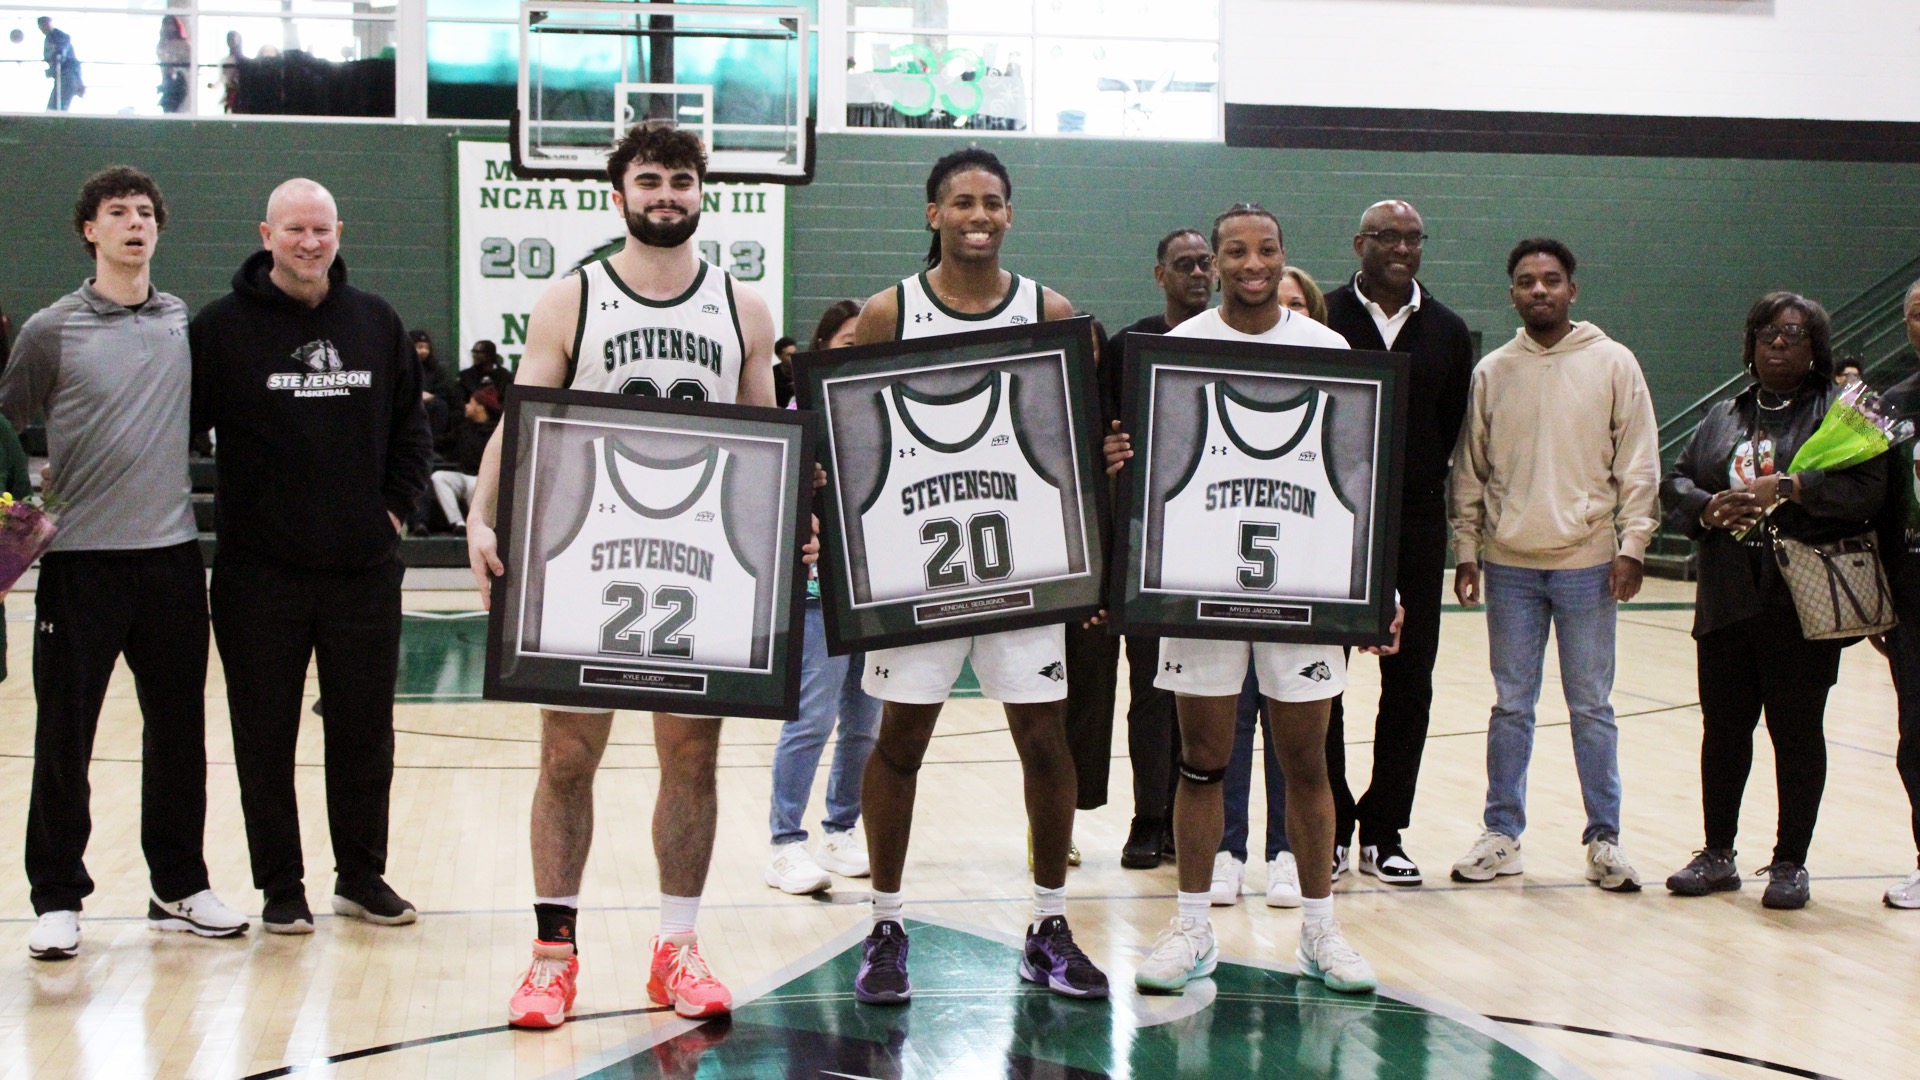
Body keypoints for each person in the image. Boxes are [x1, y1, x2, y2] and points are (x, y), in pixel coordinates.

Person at [465, 121, 780, 1029]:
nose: (667, 196)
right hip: (584, 556)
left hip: (701, 561)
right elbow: (520, 418)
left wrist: (791, 529)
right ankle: (551, 957)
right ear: (620, 194)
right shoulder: (573, 298)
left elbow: (766, 447)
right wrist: (483, 515)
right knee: (567, 756)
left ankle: (676, 949)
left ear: (701, 193)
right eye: (650, 180)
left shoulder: (743, 308)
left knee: (693, 757)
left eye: (682, 180)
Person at [1104, 204, 1396, 996]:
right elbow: (1150, 473)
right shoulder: (1177, 351)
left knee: (1307, 762)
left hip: (1302, 585)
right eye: (1235, 251)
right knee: (1202, 763)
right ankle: (1192, 924)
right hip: (1200, 585)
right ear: (1215, 264)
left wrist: (1380, 587)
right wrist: (1119, 459)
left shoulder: (1328, 349)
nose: (1251, 263)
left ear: (1283, 254)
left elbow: (1359, 478)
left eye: (1266, 249)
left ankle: (1320, 931)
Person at [847, 147, 1108, 1006]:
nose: (978, 215)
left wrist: (1105, 454)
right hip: (917, 567)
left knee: (1043, 739)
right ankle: (884, 923)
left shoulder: (1050, 310)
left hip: (1023, 564)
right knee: (901, 742)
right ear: (933, 214)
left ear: (1008, 213)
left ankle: (1049, 921)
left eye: (992, 202)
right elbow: (851, 436)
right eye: (961, 201)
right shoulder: (889, 313)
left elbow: (1075, 441)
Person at [4, 166, 246, 961]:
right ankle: (57, 897)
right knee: (65, 735)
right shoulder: (50, 330)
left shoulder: (184, 322)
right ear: (90, 230)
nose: (135, 224)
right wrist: (16, 520)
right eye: (119, 213)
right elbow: (5, 428)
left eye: (146, 212)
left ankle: (179, 884)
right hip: (78, 565)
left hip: (172, 561)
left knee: (179, 733)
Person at [190, 177, 433, 936]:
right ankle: (280, 887)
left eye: (321, 229)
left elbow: (412, 434)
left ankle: (360, 877)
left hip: (362, 571)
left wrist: (390, 513)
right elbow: (179, 433)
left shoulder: (376, 322)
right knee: (264, 737)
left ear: (339, 232)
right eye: (294, 229)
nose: (309, 242)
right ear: (267, 234)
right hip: (258, 576)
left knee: (364, 732)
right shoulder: (219, 329)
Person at [1661, 293, 1883, 911]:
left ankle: (1790, 862)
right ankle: (1717, 853)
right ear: (1750, 344)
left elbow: (1867, 491)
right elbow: (1674, 479)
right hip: (1727, 599)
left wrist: (1793, 485)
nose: (1777, 344)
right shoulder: (1723, 415)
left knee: (1796, 732)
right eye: (1766, 334)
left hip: (1802, 605)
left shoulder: (1839, 413)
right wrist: (1707, 505)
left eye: (1792, 334)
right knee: (1724, 731)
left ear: (1816, 347)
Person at [1448, 237, 1657, 892]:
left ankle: (1605, 840)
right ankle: (1502, 832)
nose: (1540, 290)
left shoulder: (1614, 363)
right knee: (1512, 704)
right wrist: (1466, 550)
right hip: (1508, 565)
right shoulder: (1492, 371)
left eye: (1551, 279)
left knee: (1591, 705)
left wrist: (1632, 546)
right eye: (1527, 281)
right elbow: (1470, 472)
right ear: (1512, 293)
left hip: (1589, 563)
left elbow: (1639, 463)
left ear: (1572, 288)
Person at [1316, 200, 1476, 888]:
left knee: (1410, 682)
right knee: (1319, 678)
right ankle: (1327, 824)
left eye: (1412, 236)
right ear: (1359, 243)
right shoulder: (1321, 317)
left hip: (1413, 522)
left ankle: (1386, 830)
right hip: (1326, 519)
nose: (1401, 247)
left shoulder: (1445, 330)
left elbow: (1448, 429)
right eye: (1386, 236)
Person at [1210, 261, 1340, 909]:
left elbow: (1363, 488)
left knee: (1302, 743)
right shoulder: (1204, 362)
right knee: (1224, 729)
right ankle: (1226, 851)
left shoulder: (1337, 373)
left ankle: (1287, 854)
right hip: (1219, 576)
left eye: (1298, 303)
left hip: (1306, 581)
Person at [765, 301, 882, 895]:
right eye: (845, 340)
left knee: (866, 724)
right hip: (817, 589)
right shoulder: (798, 413)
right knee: (813, 717)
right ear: (820, 347)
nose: (856, 348)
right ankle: (784, 842)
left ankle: (842, 827)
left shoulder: (885, 411)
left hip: (878, 589)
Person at [1107, 227, 1212, 870]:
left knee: (1206, 690)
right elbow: (1103, 441)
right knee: (1150, 689)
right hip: (1148, 546)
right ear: (1160, 274)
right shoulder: (1129, 348)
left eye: (1205, 264)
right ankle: (1149, 819)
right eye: (1184, 264)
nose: (1198, 273)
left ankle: (1193, 820)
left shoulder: (1236, 344)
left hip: (1216, 543)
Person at [1881, 280, 1920, 910]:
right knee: (1916, 738)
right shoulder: (1893, 406)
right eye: (1918, 313)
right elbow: (1876, 507)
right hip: (1914, 603)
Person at [430, 385, 499, 535]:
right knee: (439, 477)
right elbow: (445, 442)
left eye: (471, 403)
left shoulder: (495, 432)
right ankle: (458, 523)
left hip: (482, 480)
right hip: (463, 476)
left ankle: (479, 527)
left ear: (480, 407)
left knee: (476, 486)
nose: (467, 406)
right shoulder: (464, 427)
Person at [38, 18, 82, 112]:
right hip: (61, 76)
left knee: (58, 107)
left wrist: (53, 67)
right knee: (53, 108)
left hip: (67, 75)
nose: (42, 29)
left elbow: (60, 54)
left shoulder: (59, 37)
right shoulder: (50, 38)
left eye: (43, 25)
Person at [157, 16, 190, 114]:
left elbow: (188, 64)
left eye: (171, 24)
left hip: (180, 79)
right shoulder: (162, 44)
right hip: (167, 79)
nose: (169, 27)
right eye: (166, 24)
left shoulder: (183, 44)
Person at [773, 335, 798, 407]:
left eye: (795, 353)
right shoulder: (773, 375)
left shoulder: (801, 372)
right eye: (789, 355)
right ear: (779, 356)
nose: (793, 357)